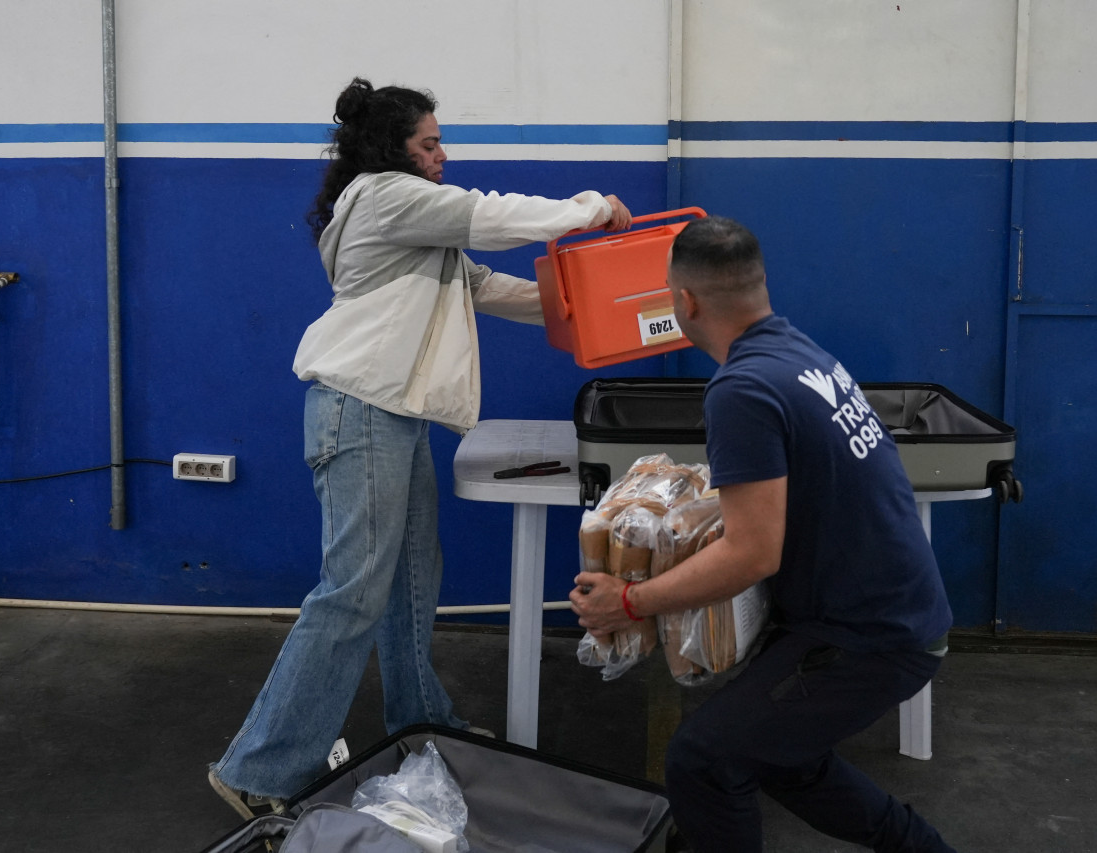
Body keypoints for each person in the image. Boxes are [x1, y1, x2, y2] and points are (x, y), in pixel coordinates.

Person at [208, 78, 633, 818]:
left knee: (408, 583)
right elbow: (491, 217)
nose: (442, 154)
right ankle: (260, 768)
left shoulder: (406, 222)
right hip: (361, 410)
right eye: (429, 143)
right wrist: (591, 208)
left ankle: (418, 724)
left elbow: (488, 286)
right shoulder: (384, 196)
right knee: (351, 592)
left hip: (388, 417)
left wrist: (597, 301)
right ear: (390, 149)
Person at [569, 216, 957, 852]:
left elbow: (753, 551)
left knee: (704, 760)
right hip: (898, 611)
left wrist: (628, 601)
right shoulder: (797, 352)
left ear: (684, 302)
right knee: (780, 754)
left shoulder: (742, 388)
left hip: (870, 635)